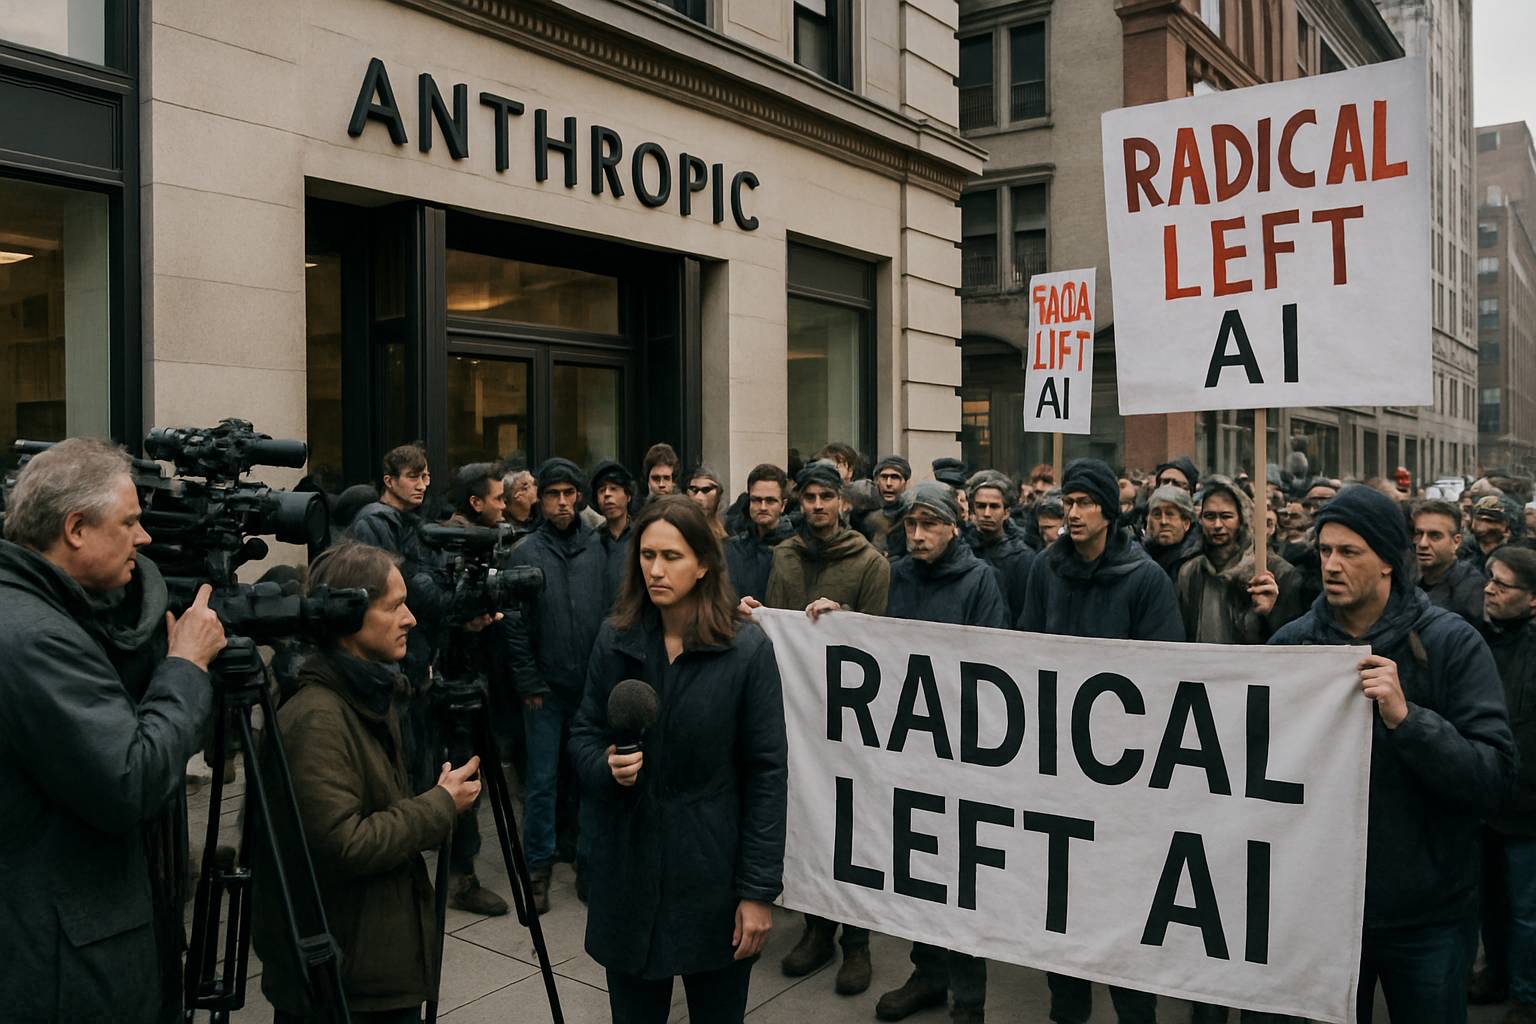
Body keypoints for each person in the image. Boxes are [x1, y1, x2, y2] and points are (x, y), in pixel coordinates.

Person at [1269, 485, 1515, 1024]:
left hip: (1426, 915)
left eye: (1349, 552)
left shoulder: (1453, 644)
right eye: (1325, 551)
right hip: (1320, 911)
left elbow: (1491, 778)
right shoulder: (1293, 646)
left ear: (1388, 562)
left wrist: (1410, 720)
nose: (1331, 565)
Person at [0, 438, 225, 1023]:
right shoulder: (34, 638)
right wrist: (185, 666)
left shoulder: (44, 610)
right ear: (76, 528)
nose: (144, 537)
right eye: (129, 522)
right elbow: (132, 780)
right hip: (65, 968)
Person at [570, 496, 787, 1024]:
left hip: (710, 875)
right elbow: (582, 734)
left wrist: (757, 893)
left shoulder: (746, 651)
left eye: (671, 556)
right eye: (646, 555)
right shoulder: (615, 638)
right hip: (628, 872)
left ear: (704, 564)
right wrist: (605, 766)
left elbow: (766, 774)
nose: (655, 569)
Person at [252, 542, 482, 1024]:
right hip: (344, 982)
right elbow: (345, 844)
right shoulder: (318, 715)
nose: (411, 619)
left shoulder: (365, 691)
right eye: (395, 606)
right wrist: (439, 805)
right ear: (350, 615)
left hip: (369, 965)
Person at [1016, 458, 1180, 1024]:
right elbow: (1026, 655)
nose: (1073, 512)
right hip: (1058, 771)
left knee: (1124, 913)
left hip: (1122, 780)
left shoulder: (1146, 581)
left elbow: (1165, 682)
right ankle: (1068, 1009)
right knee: (1061, 909)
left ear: (1110, 513)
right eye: (1069, 502)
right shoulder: (1045, 570)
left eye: (1086, 503)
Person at [874, 482, 1007, 1024]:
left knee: (962, 877)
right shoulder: (897, 575)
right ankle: (927, 973)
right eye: (911, 525)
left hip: (963, 751)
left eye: (930, 524)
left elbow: (993, 664)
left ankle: (968, 997)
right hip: (912, 746)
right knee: (919, 867)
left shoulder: (981, 581)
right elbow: (876, 645)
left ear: (954, 527)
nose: (919, 535)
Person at [758, 458, 890, 994]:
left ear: (842, 502)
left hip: (851, 722)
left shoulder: (870, 563)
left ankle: (856, 944)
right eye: (808, 497)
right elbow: (774, 625)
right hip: (797, 714)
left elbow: (883, 644)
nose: (816, 506)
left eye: (825, 497)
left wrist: (845, 622)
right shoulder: (783, 555)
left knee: (852, 833)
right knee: (810, 825)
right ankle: (816, 930)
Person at [503, 457, 611, 912]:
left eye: (569, 494)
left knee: (590, 779)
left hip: (591, 687)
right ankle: (538, 867)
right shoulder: (525, 552)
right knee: (543, 780)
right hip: (544, 689)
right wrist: (528, 679)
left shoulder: (600, 546)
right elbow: (513, 622)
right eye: (553, 495)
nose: (562, 503)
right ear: (541, 501)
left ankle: (589, 863)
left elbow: (612, 615)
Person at [435, 463, 514, 917]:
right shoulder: (451, 545)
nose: (504, 506)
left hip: (476, 674)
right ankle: (462, 876)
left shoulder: (482, 541)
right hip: (453, 681)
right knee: (464, 773)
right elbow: (440, 611)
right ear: (475, 502)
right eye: (498, 498)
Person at [1469, 546, 1536, 1020]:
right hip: (1486, 801)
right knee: (1489, 902)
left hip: (1529, 807)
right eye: (1490, 579)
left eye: (1503, 584)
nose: (1489, 589)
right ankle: (1495, 975)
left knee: (1526, 910)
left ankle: (1526, 993)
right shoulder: (1480, 640)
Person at [1175, 475, 1300, 644]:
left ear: (1241, 519)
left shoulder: (1275, 572)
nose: (1217, 525)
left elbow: (1293, 641)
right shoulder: (1190, 573)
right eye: (1210, 516)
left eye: (1226, 516)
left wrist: (1271, 613)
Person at [966, 471, 1035, 622]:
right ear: (973, 510)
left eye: (994, 507)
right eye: (981, 506)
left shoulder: (1022, 557)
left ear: (1006, 512)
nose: (986, 513)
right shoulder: (962, 549)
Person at [725, 463, 794, 603]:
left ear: (783, 505)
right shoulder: (732, 548)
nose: (762, 507)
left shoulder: (797, 550)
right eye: (756, 500)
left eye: (770, 500)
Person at [1413, 499, 1486, 630]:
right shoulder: (1407, 579)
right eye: (1419, 534)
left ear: (1456, 542)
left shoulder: (1470, 589)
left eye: (1435, 536)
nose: (1422, 543)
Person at [592, 459, 637, 600]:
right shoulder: (591, 541)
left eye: (614, 489)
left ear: (628, 496)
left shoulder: (642, 537)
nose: (607, 495)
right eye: (601, 490)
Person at [1141, 483, 1202, 580]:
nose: (1163, 522)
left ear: (1186, 523)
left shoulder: (1198, 562)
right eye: (1157, 514)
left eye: (1170, 514)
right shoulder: (1140, 556)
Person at [863, 453, 912, 555]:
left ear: (905, 482)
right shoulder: (865, 516)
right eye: (884, 477)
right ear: (876, 481)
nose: (888, 483)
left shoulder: (912, 515)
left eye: (895, 477)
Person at [1464, 495, 1515, 575]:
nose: (1482, 527)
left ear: (1506, 526)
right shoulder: (1464, 551)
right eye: (1479, 519)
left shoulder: (1517, 558)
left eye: (1489, 521)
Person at [685, 464, 728, 539]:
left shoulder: (731, 526)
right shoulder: (680, 527)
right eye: (694, 490)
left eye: (706, 490)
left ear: (718, 494)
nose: (698, 497)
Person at [501, 466, 539, 542]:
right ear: (519, 496)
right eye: (532, 485)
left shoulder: (539, 517)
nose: (537, 488)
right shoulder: (504, 533)